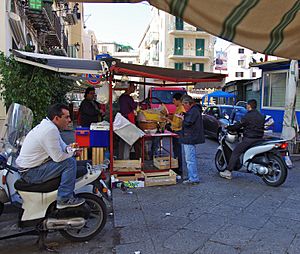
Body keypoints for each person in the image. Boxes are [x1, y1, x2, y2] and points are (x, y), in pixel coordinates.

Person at [16, 103, 85, 209]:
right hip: (30, 173)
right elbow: (58, 157)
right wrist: (73, 153)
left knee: (73, 161)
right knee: (69, 163)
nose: (70, 120)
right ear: (57, 118)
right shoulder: (50, 130)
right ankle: (64, 199)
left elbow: (64, 147)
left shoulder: (50, 126)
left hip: (33, 168)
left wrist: (71, 149)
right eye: (66, 117)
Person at [220, 99, 265, 180]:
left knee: (236, 152)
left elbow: (239, 125)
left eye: (247, 105)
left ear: (249, 106)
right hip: (259, 138)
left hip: (250, 139)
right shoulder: (260, 115)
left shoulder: (248, 115)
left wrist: (229, 127)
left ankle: (228, 172)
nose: (246, 106)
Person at [180, 95, 205, 184]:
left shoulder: (194, 110)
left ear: (188, 103)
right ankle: (192, 176)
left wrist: (183, 119)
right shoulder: (194, 110)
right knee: (190, 158)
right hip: (190, 136)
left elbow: (188, 122)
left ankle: (194, 178)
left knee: (190, 159)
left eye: (184, 104)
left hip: (190, 137)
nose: (183, 107)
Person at [165, 93, 185, 176]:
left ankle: (179, 169)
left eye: (174, 100)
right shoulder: (177, 108)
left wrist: (167, 120)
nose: (173, 102)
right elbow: (174, 118)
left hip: (178, 132)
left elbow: (177, 124)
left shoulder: (182, 110)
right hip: (175, 132)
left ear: (178, 100)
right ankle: (176, 167)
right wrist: (169, 116)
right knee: (175, 150)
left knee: (178, 151)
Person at [118, 82, 139, 159]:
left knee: (123, 140)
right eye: (133, 86)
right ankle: (125, 159)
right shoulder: (127, 98)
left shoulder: (122, 97)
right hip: (127, 121)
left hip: (123, 121)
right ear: (128, 87)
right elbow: (134, 106)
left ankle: (122, 158)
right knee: (127, 140)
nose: (134, 88)